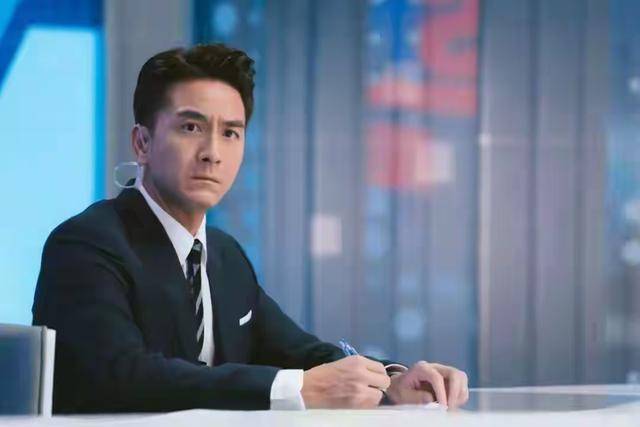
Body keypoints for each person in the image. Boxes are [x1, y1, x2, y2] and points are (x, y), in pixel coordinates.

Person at [32, 44, 468, 413]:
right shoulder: (87, 244)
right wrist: (294, 390)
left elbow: (300, 351)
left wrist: (391, 380)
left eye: (231, 133)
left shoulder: (224, 256)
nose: (212, 153)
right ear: (142, 143)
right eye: (191, 127)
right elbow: (120, 377)